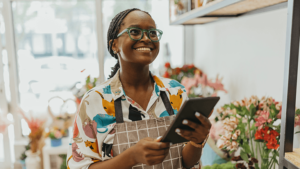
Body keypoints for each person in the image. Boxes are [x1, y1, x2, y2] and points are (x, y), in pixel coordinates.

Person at [67, 8, 211, 169]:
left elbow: (185, 162)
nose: (146, 38)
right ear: (114, 45)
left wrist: (197, 142)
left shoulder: (175, 92)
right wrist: (131, 157)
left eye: (152, 33)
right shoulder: (94, 101)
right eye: (135, 32)